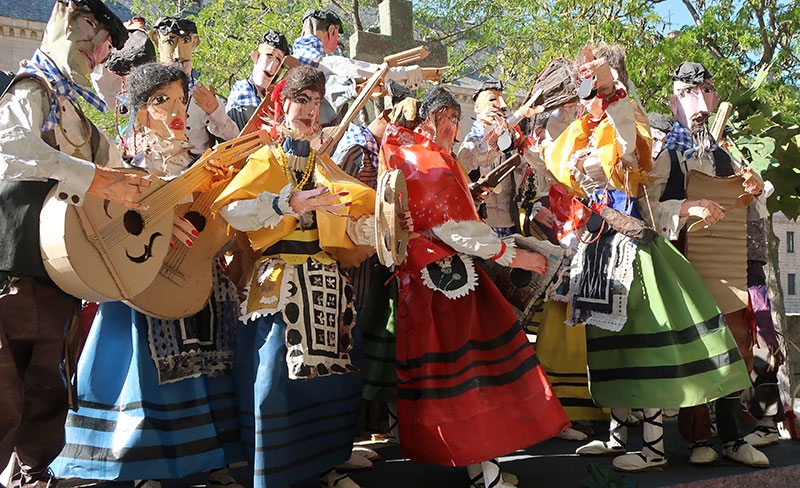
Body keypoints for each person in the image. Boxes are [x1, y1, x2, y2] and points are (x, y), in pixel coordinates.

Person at [544, 45, 752, 472]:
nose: (590, 87)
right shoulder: (586, 126)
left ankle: (654, 448)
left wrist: (614, 98)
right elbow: (557, 165)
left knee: (645, 347)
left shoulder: (633, 123)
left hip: (635, 246)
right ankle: (618, 436)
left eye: (598, 78)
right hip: (598, 244)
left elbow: (638, 176)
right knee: (607, 345)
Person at [48, 61, 244, 488]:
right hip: (137, 278)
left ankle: (213, 459)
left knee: (212, 351)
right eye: (161, 102)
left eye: (181, 100)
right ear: (139, 113)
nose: (176, 110)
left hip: (193, 278)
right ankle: (141, 465)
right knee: (141, 364)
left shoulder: (201, 162)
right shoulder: (126, 166)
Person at [381, 84, 569, 488]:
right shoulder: (424, 158)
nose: (456, 126)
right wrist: (518, 256)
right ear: (434, 117)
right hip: (447, 282)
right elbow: (455, 229)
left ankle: (483, 468)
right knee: (474, 376)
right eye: (452, 118)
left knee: (464, 379)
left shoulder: (403, 153)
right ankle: (487, 473)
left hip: (428, 281)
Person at [0, 1, 148, 486]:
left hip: (61, 277)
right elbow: (12, 150)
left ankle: (33, 476)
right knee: (4, 394)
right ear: (66, 20)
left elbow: (128, 176)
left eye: (105, 42)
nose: (98, 48)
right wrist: (96, 180)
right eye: (93, 29)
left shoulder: (80, 116)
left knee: (47, 389)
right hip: (14, 268)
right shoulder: (32, 87)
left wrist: (176, 203)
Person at [213, 65, 376, 488]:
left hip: (326, 283)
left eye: (316, 102)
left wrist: (383, 226)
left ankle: (325, 464)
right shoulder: (266, 158)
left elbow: (353, 220)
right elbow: (232, 210)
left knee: (334, 378)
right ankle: (274, 472)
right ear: (281, 106)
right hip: (277, 281)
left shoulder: (325, 166)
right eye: (301, 100)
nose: (310, 110)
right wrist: (287, 203)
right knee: (271, 381)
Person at [647, 61, 770, 467]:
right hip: (683, 263)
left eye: (706, 93)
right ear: (673, 101)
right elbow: (650, 209)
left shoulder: (725, 154)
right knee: (694, 349)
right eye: (687, 95)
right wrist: (688, 209)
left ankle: (735, 437)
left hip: (725, 264)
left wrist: (754, 190)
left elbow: (748, 211)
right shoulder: (664, 151)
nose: (699, 104)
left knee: (736, 345)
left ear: (715, 98)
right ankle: (697, 436)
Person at [150, 16, 238, 157]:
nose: (178, 53)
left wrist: (215, 112)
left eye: (185, 41)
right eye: (170, 41)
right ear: (156, 39)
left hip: (199, 169)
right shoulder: (148, 93)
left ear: (194, 43)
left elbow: (234, 137)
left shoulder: (202, 96)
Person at [226, 29, 291, 131]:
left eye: (278, 60)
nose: (271, 67)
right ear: (255, 56)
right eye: (269, 56)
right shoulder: (243, 87)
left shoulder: (275, 96)